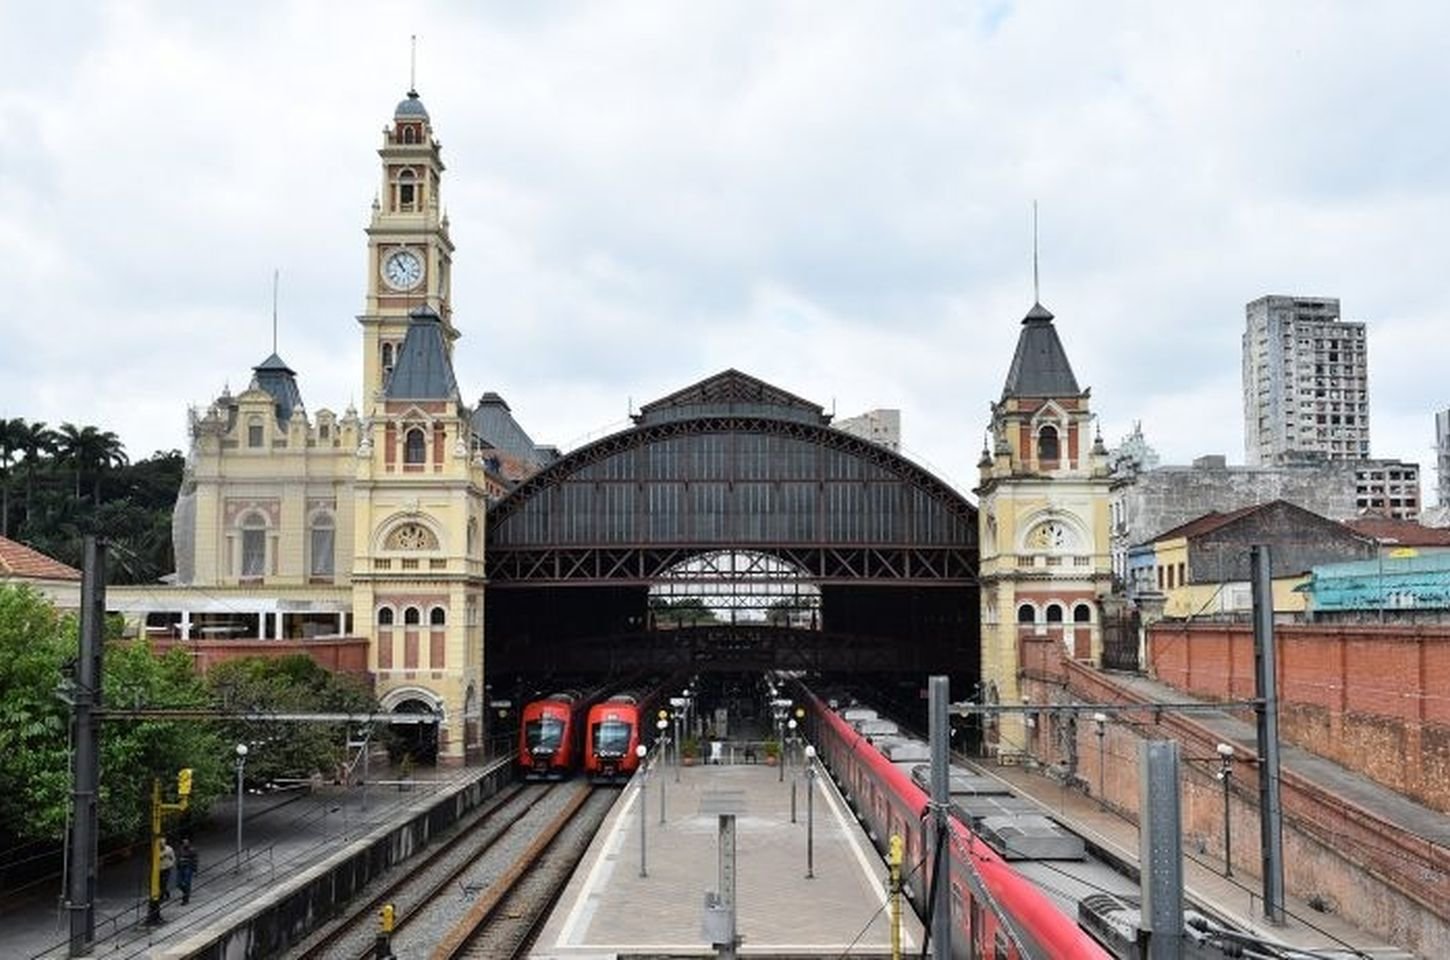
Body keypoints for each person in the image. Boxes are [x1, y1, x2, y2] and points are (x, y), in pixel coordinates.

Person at [177, 838, 198, 905]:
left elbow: (195, 860)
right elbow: (178, 857)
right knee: (179, 883)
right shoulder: (180, 849)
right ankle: (186, 892)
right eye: (184, 843)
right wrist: (178, 865)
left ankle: (186, 897)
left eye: (186, 843)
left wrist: (195, 870)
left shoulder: (192, 850)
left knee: (187, 882)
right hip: (181, 867)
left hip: (188, 867)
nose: (185, 844)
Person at [158, 837, 176, 902]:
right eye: (160, 844)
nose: (161, 845)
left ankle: (162, 897)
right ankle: (167, 893)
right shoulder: (156, 850)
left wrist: (171, 864)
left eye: (163, 844)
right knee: (160, 884)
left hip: (166, 868)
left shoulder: (169, 849)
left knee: (164, 883)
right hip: (159, 869)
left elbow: (173, 858)